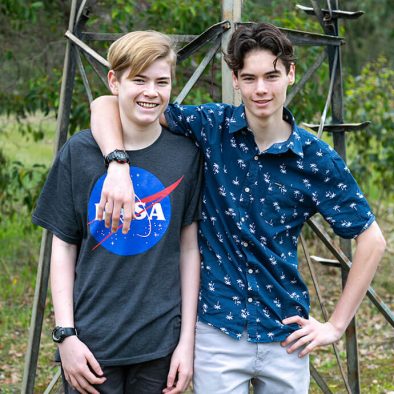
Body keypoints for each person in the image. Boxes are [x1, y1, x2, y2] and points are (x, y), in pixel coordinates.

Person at [89, 23, 386, 394]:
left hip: (286, 334)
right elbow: (105, 103)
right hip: (218, 332)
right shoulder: (212, 127)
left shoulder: (314, 158)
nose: (261, 89)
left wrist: (336, 326)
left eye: (272, 76)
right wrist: (117, 164)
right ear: (236, 79)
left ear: (290, 74)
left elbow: (372, 240)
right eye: (250, 77)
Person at [33, 30, 203, 394]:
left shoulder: (185, 156)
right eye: (138, 80)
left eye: (162, 81)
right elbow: (63, 247)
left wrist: (186, 343)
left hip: (160, 343)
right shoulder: (79, 153)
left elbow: (189, 249)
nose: (151, 92)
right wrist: (66, 336)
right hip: (93, 343)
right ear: (114, 81)